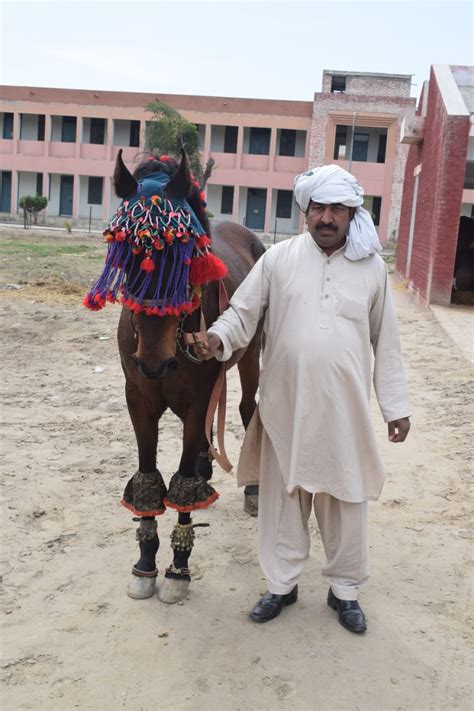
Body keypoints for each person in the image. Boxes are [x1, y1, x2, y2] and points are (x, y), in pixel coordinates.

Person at [196, 165, 410, 633]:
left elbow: (386, 342)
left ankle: (345, 591)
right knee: (281, 500)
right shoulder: (278, 259)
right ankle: (281, 584)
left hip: (343, 411)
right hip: (284, 407)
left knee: (345, 500)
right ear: (306, 211)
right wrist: (216, 338)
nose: (326, 217)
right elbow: (242, 314)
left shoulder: (372, 268)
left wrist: (396, 407)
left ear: (352, 214)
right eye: (318, 208)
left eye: (336, 209)